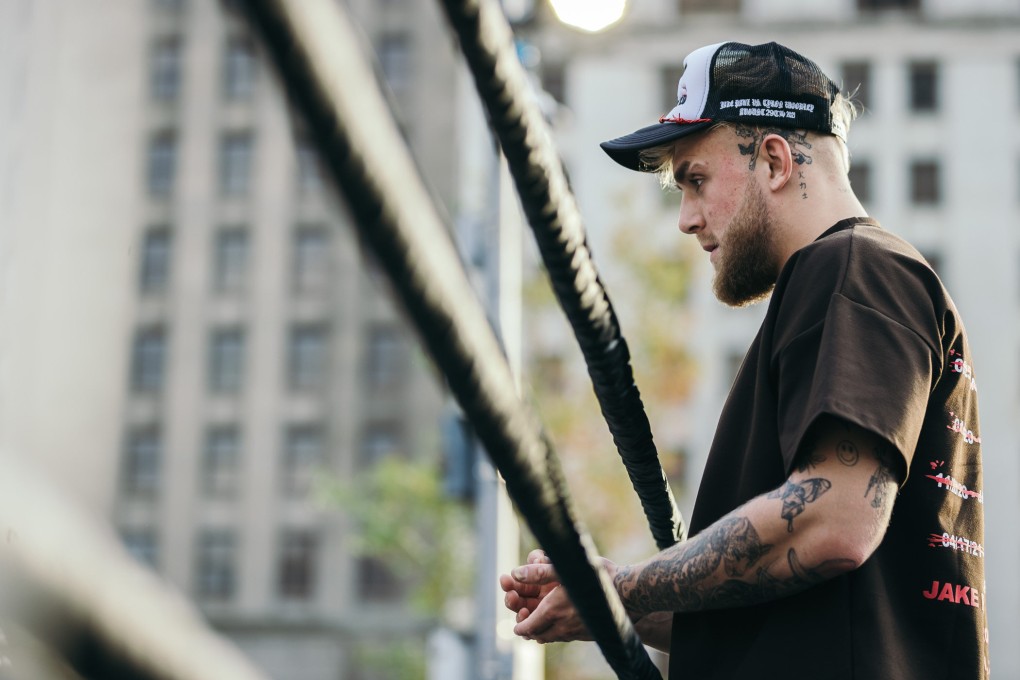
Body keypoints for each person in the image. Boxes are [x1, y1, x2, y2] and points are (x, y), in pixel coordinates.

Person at [500, 41, 988, 679]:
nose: (685, 219)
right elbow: (771, 600)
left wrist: (623, 588)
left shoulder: (852, 268)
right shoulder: (851, 282)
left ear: (776, 161)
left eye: (695, 180)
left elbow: (835, 520)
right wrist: (603, 602)